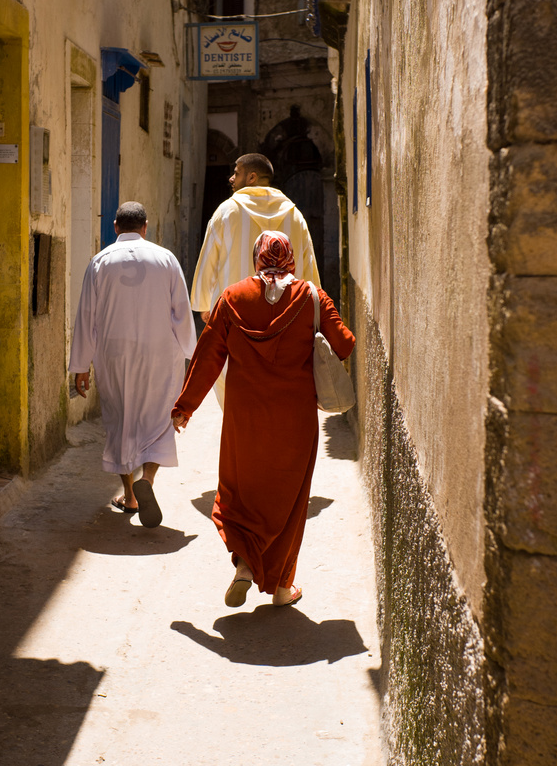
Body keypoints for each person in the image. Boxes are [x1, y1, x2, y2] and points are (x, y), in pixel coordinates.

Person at [173, 230, 354, 607]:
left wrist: (185, 406)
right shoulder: (311, 297)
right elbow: (344, 343)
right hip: (295, 420)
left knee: (241, 491)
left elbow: (207, 357)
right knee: (290, 501)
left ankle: (243, 563)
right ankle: (283, 588)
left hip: (244, 419)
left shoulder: (233, 298)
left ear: (257, 258)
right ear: (289, 257)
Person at [69, 201, 196, 528]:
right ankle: (148, 481)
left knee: (121, 418)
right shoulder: (165, 259)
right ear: (145, 226)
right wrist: (190, 353)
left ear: (115, 227)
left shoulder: (99, 262)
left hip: (114, 354)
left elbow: (87, 316)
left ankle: (129, 495)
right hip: (158, 352)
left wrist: (81, 365)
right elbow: (181, 310)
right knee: (157, 416)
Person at [189, 152, 320, 406]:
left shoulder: (226, 212)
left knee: (236, 394)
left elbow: (208, 261)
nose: (231, 178)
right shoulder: (294, 214)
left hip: (236, 318)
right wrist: (313, 310)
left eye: (235, 173)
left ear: (251, 177)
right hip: (286, 318)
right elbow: (309, 266)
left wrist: (204, 305)